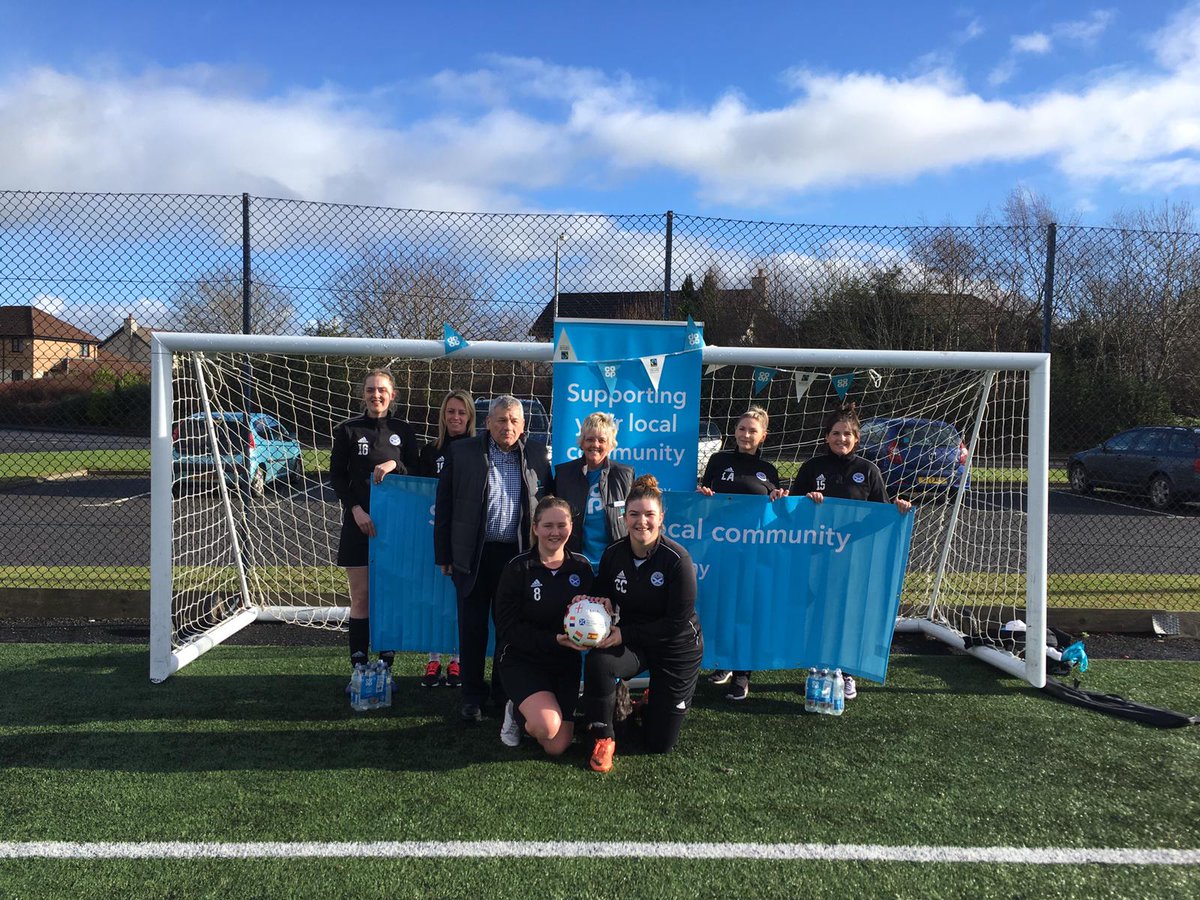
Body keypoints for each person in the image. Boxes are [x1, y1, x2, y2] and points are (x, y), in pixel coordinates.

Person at [564, 475, 703, 773]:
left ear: (661, 518)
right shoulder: (614, 554)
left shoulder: (678, 560)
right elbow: (604, 592)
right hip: (636, 643)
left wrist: (623, 633)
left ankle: (649, 702)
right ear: (624, 518)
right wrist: (593, 604)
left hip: (676, 648)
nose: (642, 522)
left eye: (650, 515)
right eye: (635, 515)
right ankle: (604, 737)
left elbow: (676, 625)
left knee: (659, 744)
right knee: (600, 661)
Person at [434, 395, 553, 724]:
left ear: (523, 425)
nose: (508, 426)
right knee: (472, 629)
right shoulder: (464, 452)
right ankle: (472, 696)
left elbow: (547, 504)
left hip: (516, 559)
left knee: (509, 631)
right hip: (473, 555)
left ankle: (505, 693)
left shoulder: (536, 454)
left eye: (514, 420)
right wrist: (444, 553)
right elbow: (444, 507)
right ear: (488, 423)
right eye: (501, 420)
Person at [790, 402, 913, 702]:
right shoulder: (811, 469)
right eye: (835, 433)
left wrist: (898, 508)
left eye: (847, 434)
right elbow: (790, 510)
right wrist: (807, 501)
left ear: (856, 438)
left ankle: (846, 672)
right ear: (826, 437)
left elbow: (880, 514)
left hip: (854, 558)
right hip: (815, 556)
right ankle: (819, 667)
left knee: (847, 613)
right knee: (816, 612)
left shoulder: (868, 470)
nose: (840, 439)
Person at [329, 369, 420, 684]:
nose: (376, 395)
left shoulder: (403, 431)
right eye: (371, 390)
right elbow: (337, 477)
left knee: (389, 595)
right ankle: (358, 666)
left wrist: (395, 464)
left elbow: (416, 472)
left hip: (394, 527)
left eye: (382, 390)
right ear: (363, 394)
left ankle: (385, 667)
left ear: (392, 395)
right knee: (362, 597)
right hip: (359, 523)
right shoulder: (348, 430)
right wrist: (355, 509)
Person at [698, 406, 787, 701]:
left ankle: (742, 675)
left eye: (752, 430)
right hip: (720, 549)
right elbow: (703, 497)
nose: (745, 435)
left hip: (754, 554)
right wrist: (703, 494)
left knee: (747, 610)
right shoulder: (718, 460)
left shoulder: (770, 471)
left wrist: (778, 499)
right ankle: (721, 662)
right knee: (720, 605)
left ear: (763, 436)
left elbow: (779, 513)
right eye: (741, 429)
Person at [494, 496, 594, 753]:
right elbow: (506, 628)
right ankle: (516, 710)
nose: (555, 532)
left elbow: (598, 610)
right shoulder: (518, 568)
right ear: (535, 528)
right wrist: (553, 639)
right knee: (548, 728)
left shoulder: (581, 567)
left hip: (564, 662)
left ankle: (533, 708)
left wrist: (594, 616)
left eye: (562, 525)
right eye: (548, 525)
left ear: (571, 527)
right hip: (522, 658)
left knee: (557, 747)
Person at [415, 389, 474, 689]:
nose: (456, 417)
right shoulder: (430, 452)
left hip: (464, 535)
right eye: (451, 411)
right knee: (433, 594)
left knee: (459, 599)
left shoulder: (477, 450)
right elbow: (412, 489)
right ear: (443, 415)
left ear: (470, 417)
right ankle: (433, 657)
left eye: (461, 412)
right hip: (433, 530)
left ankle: (457, 660)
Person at [552, 411, 634, 570]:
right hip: (574, 563)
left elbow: (642, 506)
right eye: (589, 439)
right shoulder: (563, 475)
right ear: (581, 442)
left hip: (614, 565)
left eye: (602, 440)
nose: (595, 445)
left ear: (611, 445)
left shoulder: (625, 475)